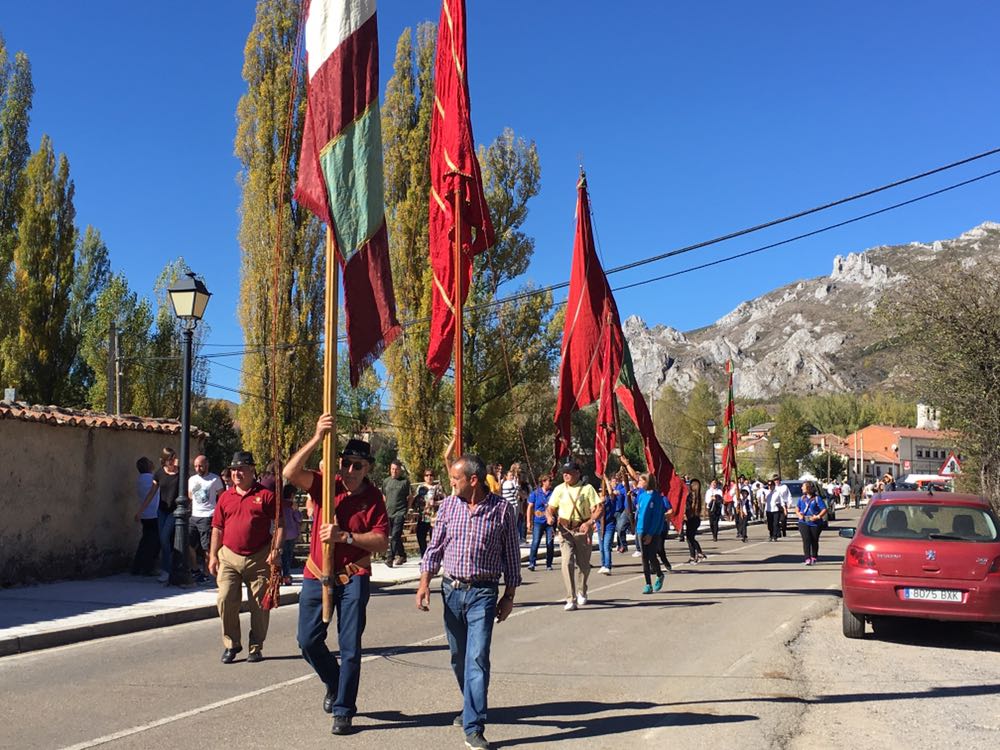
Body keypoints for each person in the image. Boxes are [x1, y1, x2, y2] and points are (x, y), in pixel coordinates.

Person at [284, 414, 390, 736]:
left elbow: (382, 541)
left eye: (358, 465)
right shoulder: (324, 484)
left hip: (353, 575)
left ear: (368, 468)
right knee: (307, 641)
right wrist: (317, 437)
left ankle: (344, 709)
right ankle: (333, 680)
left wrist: (345, 536)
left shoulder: (374, 498)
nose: (350, 471)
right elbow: (290, 472)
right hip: (317, 573)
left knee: (350, 647)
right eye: (346, 463)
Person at [416, 454, 521, 750]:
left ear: (472, 480)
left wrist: (509, 596)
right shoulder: (449, 506)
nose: (451, 484)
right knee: (458, 657)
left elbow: (511, 556)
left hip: (483, 594)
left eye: (454, 479)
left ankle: (474, 726)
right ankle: (470, 705)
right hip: (451, 592)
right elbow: (434, 549)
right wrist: (424, 583)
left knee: (477, 658)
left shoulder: (501, 510)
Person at [208, 451, 282, 664]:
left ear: (252, 470)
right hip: (229, 556)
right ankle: (232, 644)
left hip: (259, 557)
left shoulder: (266, 496)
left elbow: (280, 525)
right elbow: (217, 528)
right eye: (233, 470)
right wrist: (213, 555)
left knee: (259, 604)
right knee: (225, 599)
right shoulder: (225, 497)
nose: (236, 473)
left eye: (241, 469)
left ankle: (256, 646)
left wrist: (276, 550)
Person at [546, 461, 602, 611]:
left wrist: (590, 522)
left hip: (582, 530)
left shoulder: (587, 489)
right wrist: (549, 517)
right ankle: (571, 598)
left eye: (569, 472)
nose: (566, 474)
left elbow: (598, 509)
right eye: (564, 472)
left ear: (577, 473)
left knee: (583, 565)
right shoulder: (559, 489)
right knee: (567, 562)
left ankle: (582, 589)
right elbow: (550, 508)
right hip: (565, 530)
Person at [139, 447, 180, 583]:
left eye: (174, 458)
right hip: (161, 510)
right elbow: (152, 493)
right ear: (164, 460)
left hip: (174, 511)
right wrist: (141, 510)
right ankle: (167, 567)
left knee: (164, 537)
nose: (172, 461)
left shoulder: (180, 473)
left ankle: (167, 570)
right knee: (163, 541)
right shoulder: (159, 474)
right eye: (170, 459)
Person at [188, 454, 224, 584]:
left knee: (207, 547)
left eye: (200, 466)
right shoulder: (192, 479)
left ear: (206, 465)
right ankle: (195, 570)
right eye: (196, 466)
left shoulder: (214, 479)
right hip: (194, 515)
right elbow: (190, 495)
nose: (198, 468)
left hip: (208, 516)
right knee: (188, 544)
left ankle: (207, 573)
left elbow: (222, 496)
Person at [634, 472, 668, 594]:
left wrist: (651, 534)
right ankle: (648, 584)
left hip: (652, 532)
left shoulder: (657, 497)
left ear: (647, 482)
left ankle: (659, 575)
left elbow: (656, 517)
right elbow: (639, 513)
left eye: (640, 481)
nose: (638, 483)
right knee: (644, 557)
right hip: (640, 530)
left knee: (651, 556)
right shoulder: (641, 496)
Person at [131, 457, 160, 576]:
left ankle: (137, 566)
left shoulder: (139, 480)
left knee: (145, 541)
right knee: (154, 543)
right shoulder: (152, 479)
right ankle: (149, 567)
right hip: (154, 513)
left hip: (145, 515)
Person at [383, 460, 412, 568]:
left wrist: (407, 511)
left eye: (396, 469)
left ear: (400, 470)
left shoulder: (405, 482)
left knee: (395, 535)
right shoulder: (386, 481)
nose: (394, 471)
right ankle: (402, 555)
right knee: (396, 536)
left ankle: (390, 557)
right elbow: (384, 496)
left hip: (400, 512)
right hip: (388, 512)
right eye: (392, 469)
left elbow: (410, 498)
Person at [795, 480, 828, 565]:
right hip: (803, 522)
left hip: (815, 523)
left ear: (809, 488)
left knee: (814, 540)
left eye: (803, 486)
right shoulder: (802, 498)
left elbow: (824, 509)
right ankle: (807, 558)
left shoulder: (817, 498)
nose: (802, 488)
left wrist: (818, 516)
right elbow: (797, 508)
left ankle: (814, 556)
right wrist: (799, 514)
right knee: (806, 540)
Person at [527, 475, 554, 571]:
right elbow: (530, 507)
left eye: (551, 481)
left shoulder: (553, 494)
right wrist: (528, 522)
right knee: (535, 542)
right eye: (548, 481)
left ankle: (549, 564)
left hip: (550, 522)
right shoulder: (535, 493)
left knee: (550, 543)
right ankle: (532, 562)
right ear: (543, 482)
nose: (550, 483)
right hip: (538, 521)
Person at [415, 469, 444, 556]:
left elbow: (445, 500)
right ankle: (424, 556)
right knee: (420, 536)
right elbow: (416, 500)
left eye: (431, 475)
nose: (429, 477)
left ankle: (433, 556)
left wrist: (435, 503)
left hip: (434, 517)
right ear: (424, 477)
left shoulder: (438, 487)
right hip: (423, 516)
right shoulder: (420, 488)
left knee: (434, 538)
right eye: (427, 475)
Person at [280, 484, 302, 585]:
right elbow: (298, 518)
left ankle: (281, 576)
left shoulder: (280, 504)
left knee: (282, 556)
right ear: (292, 494)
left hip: (282, 534)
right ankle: (287, 576)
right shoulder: (292, 505)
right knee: (288, 556)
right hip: (292, 533)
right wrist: (297, 510)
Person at [596, 478, 617, 575]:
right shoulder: (598, 503)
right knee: (601, 547)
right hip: (600, 525)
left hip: (609, 525)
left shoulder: (611, 500)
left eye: (602, 492)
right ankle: (603, 564)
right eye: (599, 493)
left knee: (606, 546)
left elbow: (611, 493)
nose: (601, 494)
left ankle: (608, 566)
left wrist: (605, 479)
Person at [684, 478, 707, 563]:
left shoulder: (690, 496)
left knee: (690, 538)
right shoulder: (697, 496)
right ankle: (696, 554)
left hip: (691, 519)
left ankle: (695, 555)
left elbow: (687, 507)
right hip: (695, 519)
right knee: (690, 538)